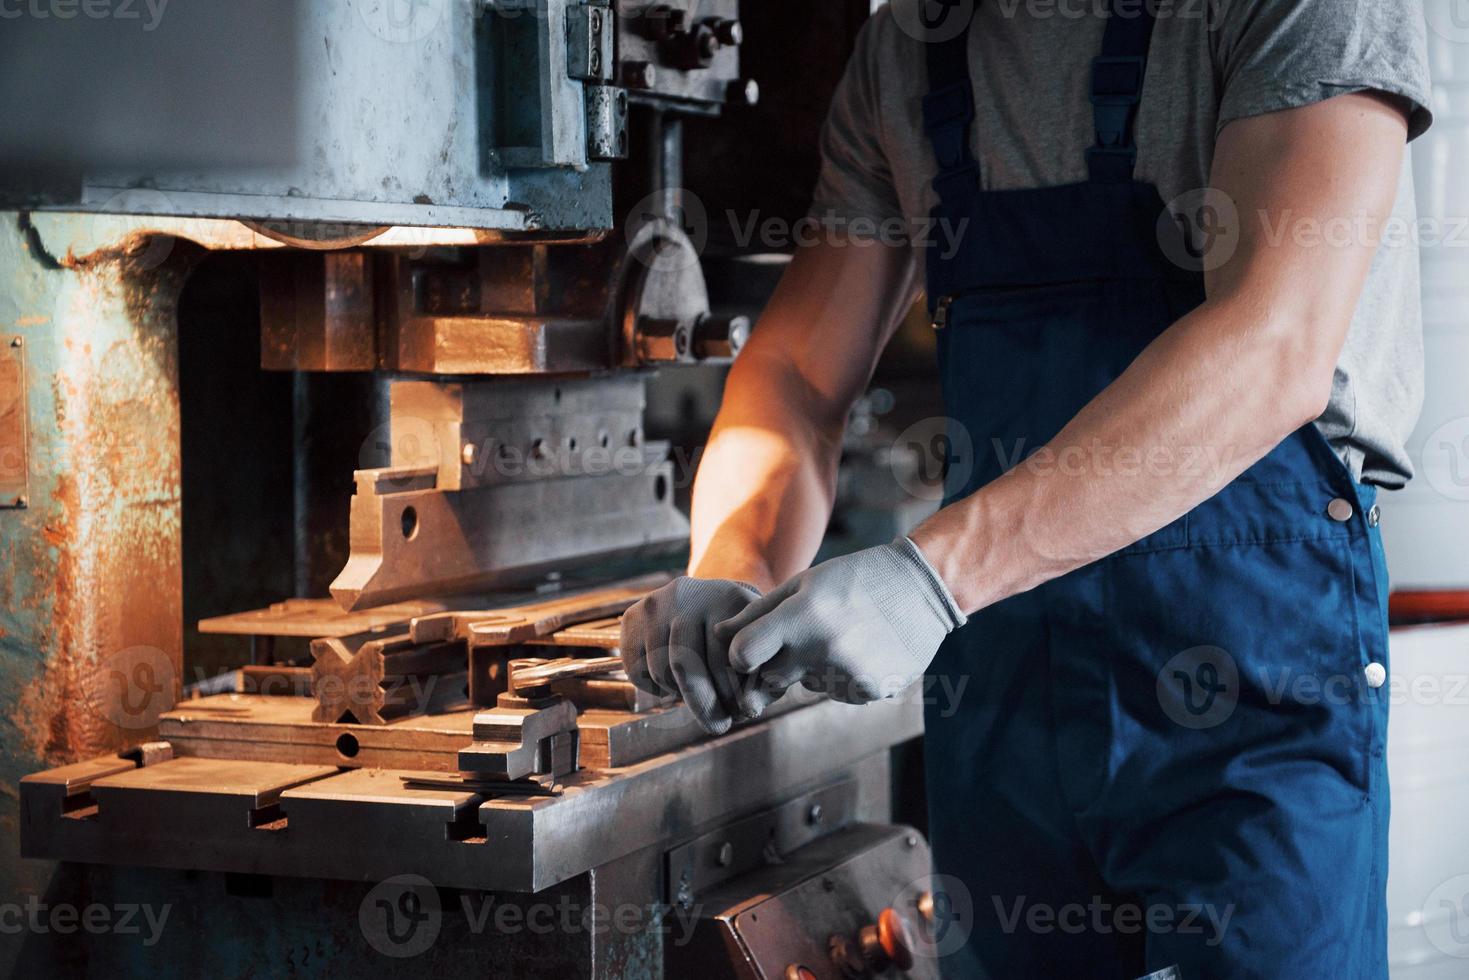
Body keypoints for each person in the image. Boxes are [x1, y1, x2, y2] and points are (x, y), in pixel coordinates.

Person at [620, 0, 1433, 975]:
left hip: (1248, 685)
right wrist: (734, 569)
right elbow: (797, 378)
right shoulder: (908, 49)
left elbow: (1271, 346)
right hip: (1009, 693)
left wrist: (929, 579)